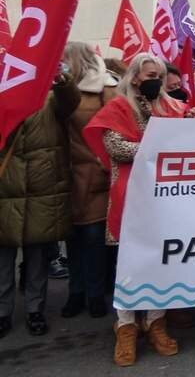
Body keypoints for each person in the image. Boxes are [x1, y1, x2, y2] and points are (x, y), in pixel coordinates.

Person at [83, 53, 195, 367]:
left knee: (160, 259)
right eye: (150, 74)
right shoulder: (118, 107)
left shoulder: (174, 107)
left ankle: (156, 322)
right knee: (130, 263)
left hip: (165, 196)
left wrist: (192, 124)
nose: (156, 81)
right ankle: (126, 326)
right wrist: (156, 141)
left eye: (159, 75)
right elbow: (116, 147)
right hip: (130, 194)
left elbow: (187, 143)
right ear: (134, 77)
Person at [0, 67, 79, 338]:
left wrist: (61, 79)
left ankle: (35, 310)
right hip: (5, 193)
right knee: (3, 259)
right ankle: (2, 312)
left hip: (43, 192)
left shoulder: (47, 102)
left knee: (37, 259)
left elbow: (71, 103)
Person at [61, 43, 118, 320]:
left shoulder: (106, 88)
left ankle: (94, 294)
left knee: (94, 238)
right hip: (65, 175)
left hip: (96, 174)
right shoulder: (57, 90)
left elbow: (115, 128)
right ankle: (76, 291)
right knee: (72, 239)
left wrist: (103, 162)